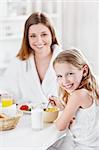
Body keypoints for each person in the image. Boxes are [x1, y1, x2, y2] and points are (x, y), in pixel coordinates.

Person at [0, 12, 62, 104]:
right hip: (26, 117)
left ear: (52, 35)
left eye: (44, 34)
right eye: (33, 36)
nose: (39, 41)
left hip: (61, 116)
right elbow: (6, 92)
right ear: (27, 38)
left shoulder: (65, 59)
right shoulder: (18, 62)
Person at [48, 49, 99, 150]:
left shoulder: (77, 95)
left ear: (84, 71)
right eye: (59, 76)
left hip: (85, 147)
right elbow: (84, 116)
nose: (65, 80)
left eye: (70, 73)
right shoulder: (90, 89)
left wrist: (64, 114)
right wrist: (63, 107)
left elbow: (60, 126)